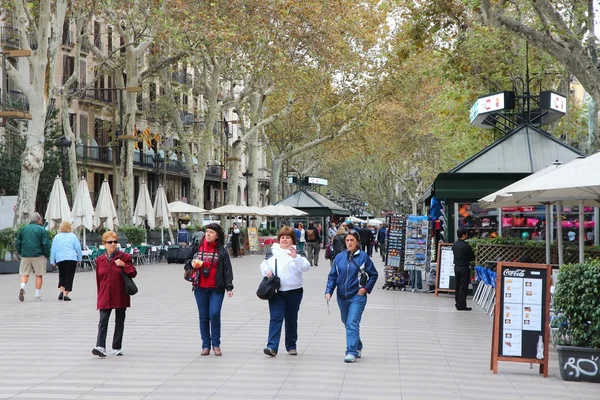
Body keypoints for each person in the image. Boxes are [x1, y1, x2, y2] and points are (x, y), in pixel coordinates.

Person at [325, 231, 378, 363]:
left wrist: (365, 288)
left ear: (357, 242)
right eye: (347, 240)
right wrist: (328, 291)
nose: (349, 243)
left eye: (352, 240)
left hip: (357, 296)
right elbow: (332, 276)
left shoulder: (363, 257)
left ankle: (351, 352)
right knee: (346, 322)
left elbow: (374, 274)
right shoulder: (339, 257)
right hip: (342, 296)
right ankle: (358, 345)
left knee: (352, 322)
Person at [184, 223, 234, 356]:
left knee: (215, 313)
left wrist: (229, 287)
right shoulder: (197, 247)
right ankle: (205, 345)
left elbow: (227, 270)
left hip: (216, 288)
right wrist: (192, 263)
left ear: (217, 236)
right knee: (204, 316)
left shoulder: (221, 251)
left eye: (211, 232)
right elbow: (187, 260)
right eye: (207, 232)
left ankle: (216, 344)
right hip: (200, 287)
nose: (208, 234)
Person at [260, 226, 310, 357]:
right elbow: (263, 264)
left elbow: (306, 267)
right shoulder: (272, 252)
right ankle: (272, 346)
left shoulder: (298, 252)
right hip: (276, 291)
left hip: (294, 291)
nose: (284, 239)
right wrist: (267, 271)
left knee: (291, 319)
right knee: (276, 318)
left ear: (292, 240)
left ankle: (291, 346)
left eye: (287, 237)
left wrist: (296, 258)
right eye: (282, 237)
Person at [93, 231, 137, 357]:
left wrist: (124, 265)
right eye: (110, 242)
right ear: (104, 244)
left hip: (120, 293)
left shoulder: (124, 257)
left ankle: (117, 347)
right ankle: (100, 346)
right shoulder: (100, 260)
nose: (113, 244)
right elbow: (98, 280)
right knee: (103, 320)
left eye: (115, 242)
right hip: (105, 294)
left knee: (119, 320)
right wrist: (99, 295)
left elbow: (133, 273)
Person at [16, 212, 50, 302]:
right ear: (38, 220)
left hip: (26, 255)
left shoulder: (23, 229)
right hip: (38, 255)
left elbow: (18, 242)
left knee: (24, 273)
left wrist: (20, 252)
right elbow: (45, 244)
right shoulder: (42, 230)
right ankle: (37, 295)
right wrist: (47, 254)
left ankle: (22, 287)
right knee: (39, 275)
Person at [50, 221, 82, 301]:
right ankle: (66, 294)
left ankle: (61, 290)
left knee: (62, 275)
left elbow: (53, 249)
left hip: (60, 258)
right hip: (71, 258)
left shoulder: (57, 237)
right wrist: (79, 259)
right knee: (69, 276)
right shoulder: (73, 236)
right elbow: (78, 248)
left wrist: (52, 261)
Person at [452, 227, 475, 311]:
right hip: (464, 267)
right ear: (464, 235)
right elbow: (471, 257)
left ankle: (458, 302)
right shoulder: (466, 246)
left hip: (456, 266)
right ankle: (462, 304)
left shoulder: (454, 245)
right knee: (463, 286)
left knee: (457, 285)